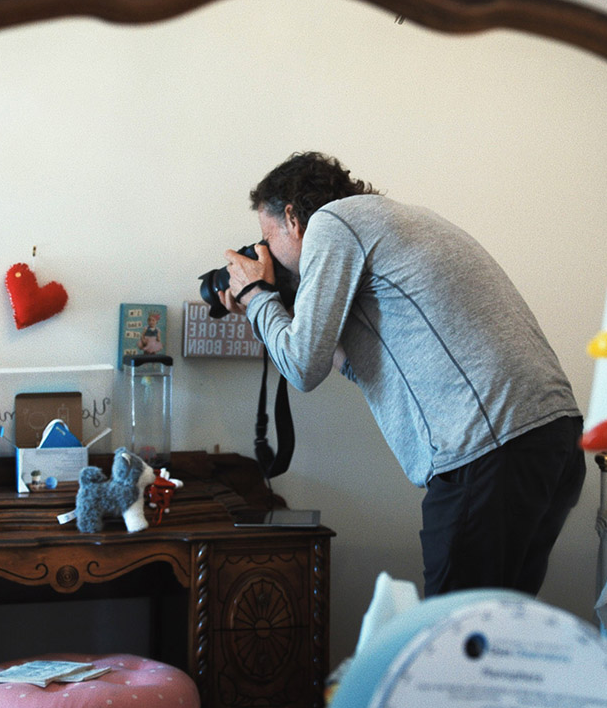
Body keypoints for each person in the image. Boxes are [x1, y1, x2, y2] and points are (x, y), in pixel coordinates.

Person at [217, 151, 585, 597]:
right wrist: (282, 306)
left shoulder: (334, 222)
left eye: (266, 237)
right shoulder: (399, 221)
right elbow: (368, 360)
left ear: (292, 217)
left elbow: (300, 367)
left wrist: (257, 296)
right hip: (551, 438)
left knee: (452, 639)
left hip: (487, 448)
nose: (266, 254)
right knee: (496, 639)